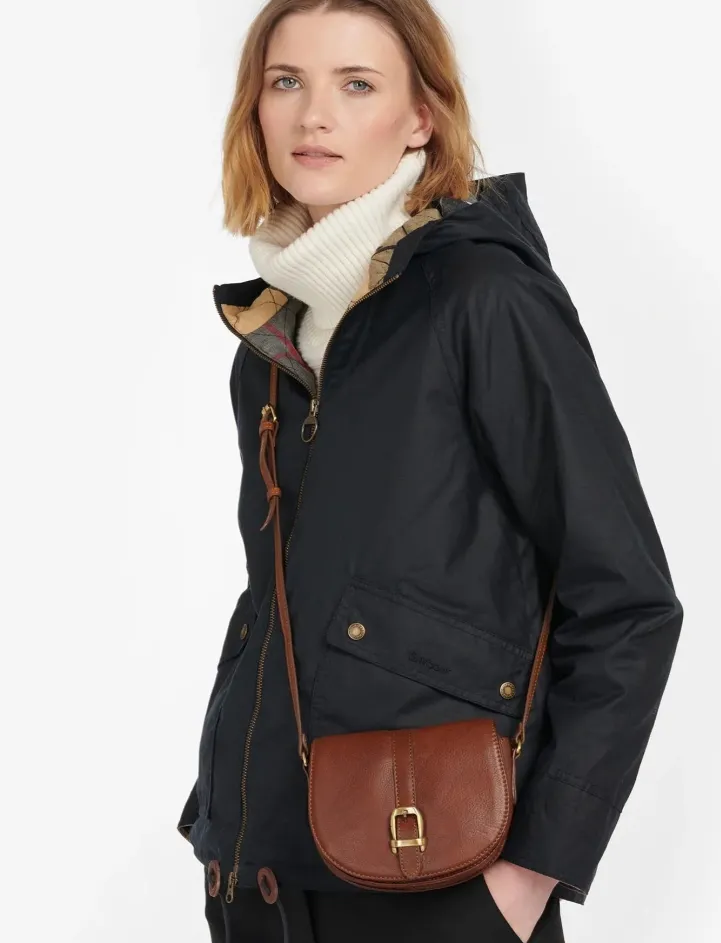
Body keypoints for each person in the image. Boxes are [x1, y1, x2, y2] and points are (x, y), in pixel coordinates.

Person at [176, 2, 685, 941]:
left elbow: (629, 602)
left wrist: (529, 876)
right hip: (262, 878)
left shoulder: (483, 299)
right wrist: (223, 817)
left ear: (421, 117)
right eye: (286, 81)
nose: (312, 114)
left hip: (439, 879)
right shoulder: (271, 344)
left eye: (356, 84)